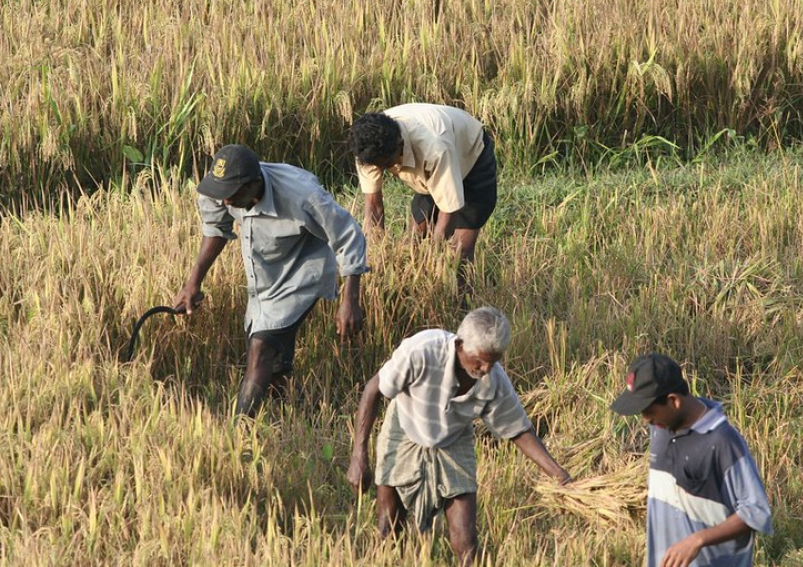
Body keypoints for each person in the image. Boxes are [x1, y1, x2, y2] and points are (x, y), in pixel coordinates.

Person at [346, 307, 571, 567]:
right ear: (460, 345)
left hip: (453, 438)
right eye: (480, 360)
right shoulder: (421, 351)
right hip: (405, 428)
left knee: (466, 542)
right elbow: (373, 391)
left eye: (494, 361)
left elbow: (518, 430)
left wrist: (560, 477)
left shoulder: (494, 380)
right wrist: (359, 455)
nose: (486, 368)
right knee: (389, 529)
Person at [174, 144, 368, 417]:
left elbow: (350, 237)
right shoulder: (220, 187)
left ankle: (238, 428)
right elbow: (217, 229)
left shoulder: (303, 195)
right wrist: (193, 283)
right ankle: (309, 416)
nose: (226, 202)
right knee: (274, 369)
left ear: (254, 185)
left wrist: (350, 300)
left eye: (232, 195)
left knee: (261, 348)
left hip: (301, 274)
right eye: (222, 195)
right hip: (263, 280)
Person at [610, 353, 773, 567]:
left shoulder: (721, 442)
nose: (646, 420)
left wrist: (697, 540)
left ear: (673, 401)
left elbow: (756, 512)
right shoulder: (661, 427)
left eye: (649, 411)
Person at [347, 103, 498, 296]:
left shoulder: (434, 148)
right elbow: (373, 209)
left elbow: (449, 211)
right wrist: (376, 256)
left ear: (399, 146)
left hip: (471, 156)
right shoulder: (367, 148)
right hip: (429, 170)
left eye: (387, 165)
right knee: (413, 242)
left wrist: (431, 261)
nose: (384, 170)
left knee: (458, 254)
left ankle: (460, 305)